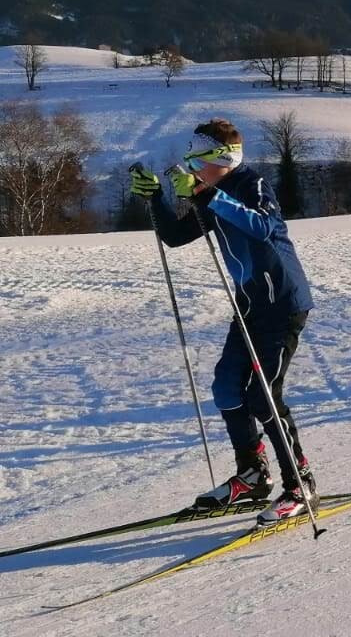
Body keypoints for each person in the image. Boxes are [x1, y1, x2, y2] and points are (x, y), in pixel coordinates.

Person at [129, 119, 318, 527]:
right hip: (250, 306)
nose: (190, 164)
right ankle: (252, 474)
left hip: (282, 304)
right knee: (227, 386)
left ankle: (300, 485)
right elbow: (177, 237)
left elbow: (264, 226)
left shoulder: (252, 184)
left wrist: (208, 195)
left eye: (196, 157)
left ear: (220, 159)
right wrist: (157, 198)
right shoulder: (211, 192)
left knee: (263, 396)